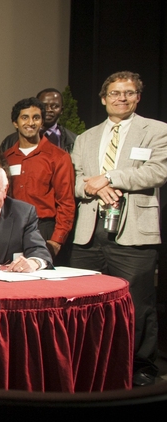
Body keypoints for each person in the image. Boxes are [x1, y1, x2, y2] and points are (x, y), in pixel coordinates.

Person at [70, 71, 167, 387]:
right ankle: (91, 362)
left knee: (137, 304)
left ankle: (142, 366)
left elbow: (157, 171)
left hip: (133, 230)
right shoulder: (86, 138)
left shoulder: (156, 131)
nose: (121, 98)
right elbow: (75, 180)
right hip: (89, 232)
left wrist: (110, 178)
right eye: (115, 93)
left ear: (138, 97)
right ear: (103, 98)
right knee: (86, 301)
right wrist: (95, 188)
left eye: (128, 93)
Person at [3, 97, 75, 261]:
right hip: (11, 228)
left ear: (42, 122)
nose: (31, 122)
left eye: (36, 117)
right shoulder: (6, 158)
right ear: (15, 122)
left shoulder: (58, 157)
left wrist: (57, 239)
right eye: (25, 117)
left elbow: (66, 202)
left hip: (43, 229)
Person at [0, 88, 77, 154]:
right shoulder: (10, 140)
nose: (49, 110)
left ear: (61, 110)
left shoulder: (74, 140)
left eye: (55, 106)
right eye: (44, 106)